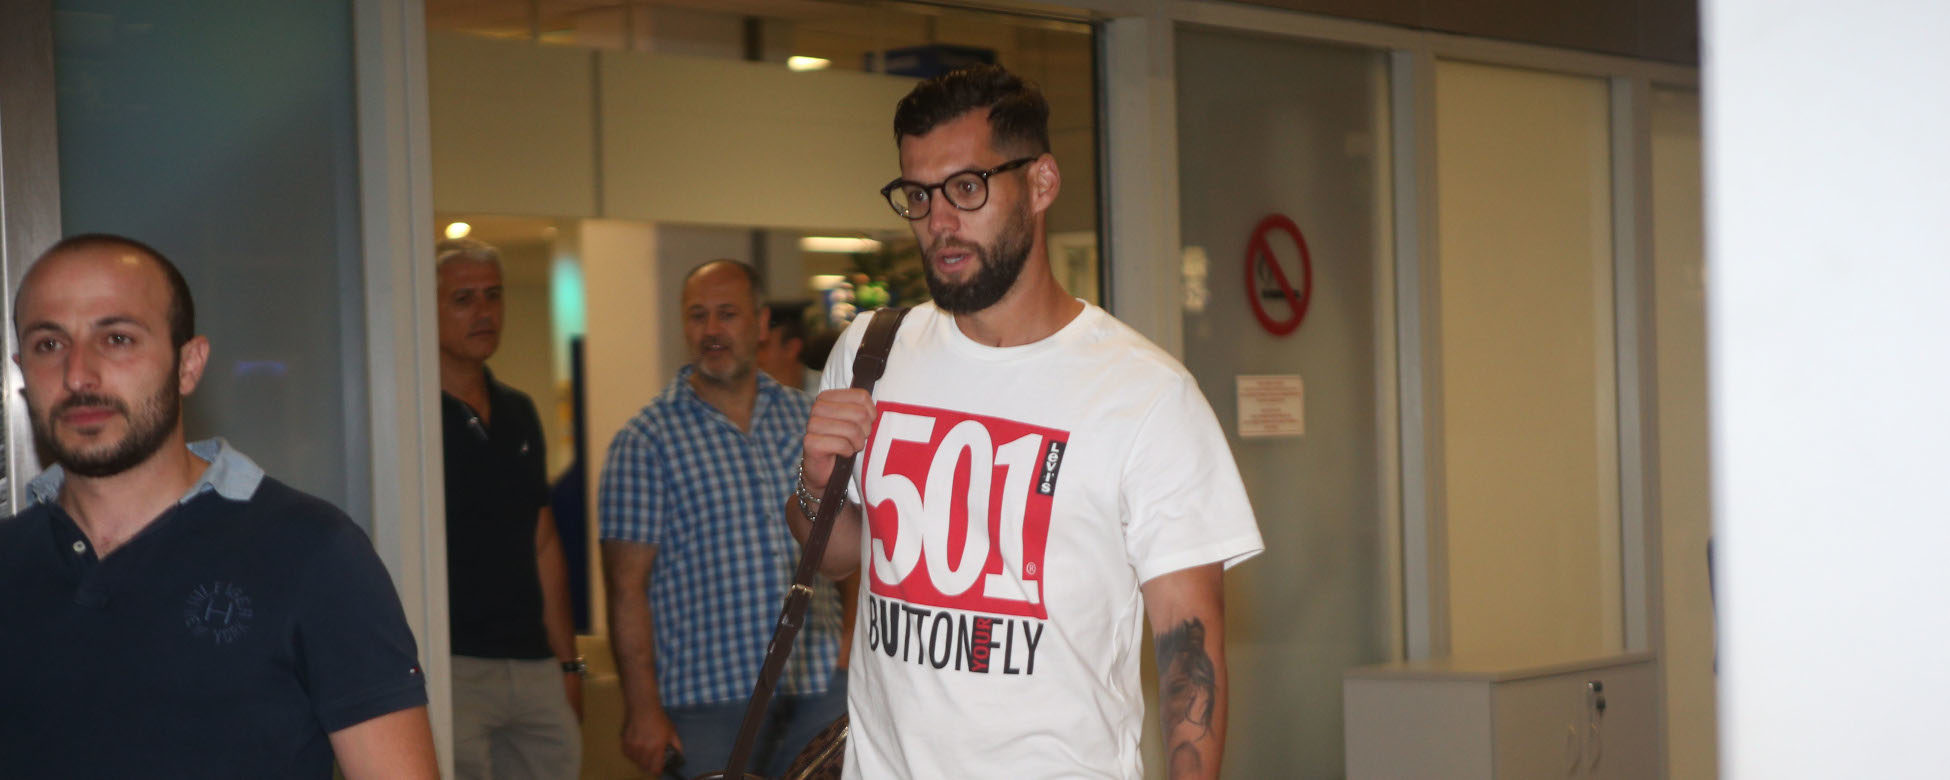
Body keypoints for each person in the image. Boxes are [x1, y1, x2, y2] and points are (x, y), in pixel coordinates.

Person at [792, 65, 1265, 779]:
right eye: (918, 195)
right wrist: (815, 483)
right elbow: (836, 558)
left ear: (1041, 183)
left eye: (966, 188)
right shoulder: (870, 354)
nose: (939, 222)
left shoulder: (1147, 397)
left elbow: (1188, 652)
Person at [0, 233, 438, 778]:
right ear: (21, 372)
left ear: (188, 364)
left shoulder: (312, 552)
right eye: (49, 344)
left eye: (116, 338)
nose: (77, 374)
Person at [600, 260, 848, 778]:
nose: (712, 329)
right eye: (698, 316)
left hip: (819, 689)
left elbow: (851, 537)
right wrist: (642, 709)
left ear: (761, 324)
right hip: (708, 703)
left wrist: (851, 648)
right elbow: (626, 589)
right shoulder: (645, 441)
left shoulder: (808, 420)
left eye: (728, 314)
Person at [434, 238, 584, 779]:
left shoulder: (518, 411)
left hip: (533, 663)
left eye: (493, 296)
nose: (484, 312)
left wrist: (568, 663)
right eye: (464, 299)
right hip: (451, 663)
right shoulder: (413, 413)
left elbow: (542, 542)